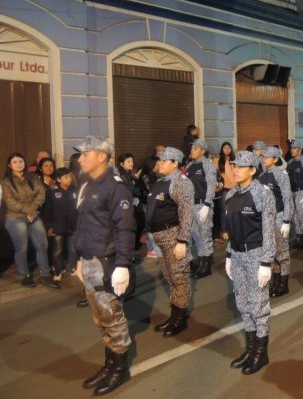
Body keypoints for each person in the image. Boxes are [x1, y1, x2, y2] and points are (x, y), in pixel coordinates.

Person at [74, 136, 135, 395]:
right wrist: (79, 258)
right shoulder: (87, 183)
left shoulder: (116, 186)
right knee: (100, 318)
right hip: (89, 260)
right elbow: (84, 224)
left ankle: (120, 369)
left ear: (102, 156)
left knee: (112, 317)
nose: (80, 159)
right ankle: (109, 364)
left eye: (85, 154)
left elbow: (125, 228)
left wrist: (122, 264)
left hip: (106, 261)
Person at [224, 151, 276, 375]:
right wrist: (228, 254)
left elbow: (268, 231)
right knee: (243, 303)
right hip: (237, 254)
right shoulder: (231, 195)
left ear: (253, 170)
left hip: (256, 255)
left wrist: (266, 262)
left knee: (259, 305)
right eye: (234, 165)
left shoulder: (262, 193)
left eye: (241, 166)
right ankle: (250, 348)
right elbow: (230, 229)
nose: (235, 169)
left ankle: (261, 353)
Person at [146, 147, 194, 336]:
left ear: (175, 163)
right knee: (169, 276)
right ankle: (174, 314)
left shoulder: (180, 182)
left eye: (164, 161)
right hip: (158, 237)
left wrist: (182, 240)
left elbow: (186, 212)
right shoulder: (160, 182)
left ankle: (180, 318)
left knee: (179, 277)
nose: (160, 164)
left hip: (172, 236)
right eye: (160, 160)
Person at [2, 153, 59, 289]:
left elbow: (41, 194)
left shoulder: (33, 177)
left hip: (34, 215)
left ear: (24, 163)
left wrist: (32, 210)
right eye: (14, 162)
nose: (18, 164)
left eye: (20, 161)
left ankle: (45, 274)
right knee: (22, 248)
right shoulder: (5, 182)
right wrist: (28, 211)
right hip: (15, 218)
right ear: (10, 165)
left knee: (42, 245)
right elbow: (9, 202)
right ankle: (25, 275)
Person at [258, 146, 293, 297]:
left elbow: (287, 197)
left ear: (275, 159)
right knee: (272, 250)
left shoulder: (281, 174)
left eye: (267, 157)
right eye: (263, 157)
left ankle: (284, 283)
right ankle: (276, 281)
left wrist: (287, 220)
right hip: (266, 218)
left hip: (279, 216)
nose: (263, 159)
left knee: (282, 251)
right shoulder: (262, 175)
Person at [185, 138, 219, 278]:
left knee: (205, 234)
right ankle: (203, 260)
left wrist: (207, 204)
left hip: (202, 205)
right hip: (191, 205)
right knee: (195, 234)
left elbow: (211, 185)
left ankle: (206, 266)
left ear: (202, 151)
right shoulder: (189, 165)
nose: (192, 150)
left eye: (195, 148)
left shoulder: (207, 165)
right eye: (192, 148)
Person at [46, 167, 78, 283]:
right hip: (58, 226)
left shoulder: (75, 190)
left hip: (73, 226)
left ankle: (73, 267)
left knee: (73, 249)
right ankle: (57, 271)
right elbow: (48, 211)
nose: (69, 179)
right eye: (65, 177)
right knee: (57, 250)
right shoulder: (52, 192)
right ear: (58, 179)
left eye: (69, 176)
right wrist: (49, 226)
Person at [287, 140, 303, 250]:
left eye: (295, 148)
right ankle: (298, 237)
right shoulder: (290, 163)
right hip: (291, 192)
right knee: (294, 216)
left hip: (301, 192)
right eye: (291, 148)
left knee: (302, 215)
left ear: (300, 149)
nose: (292, 150)